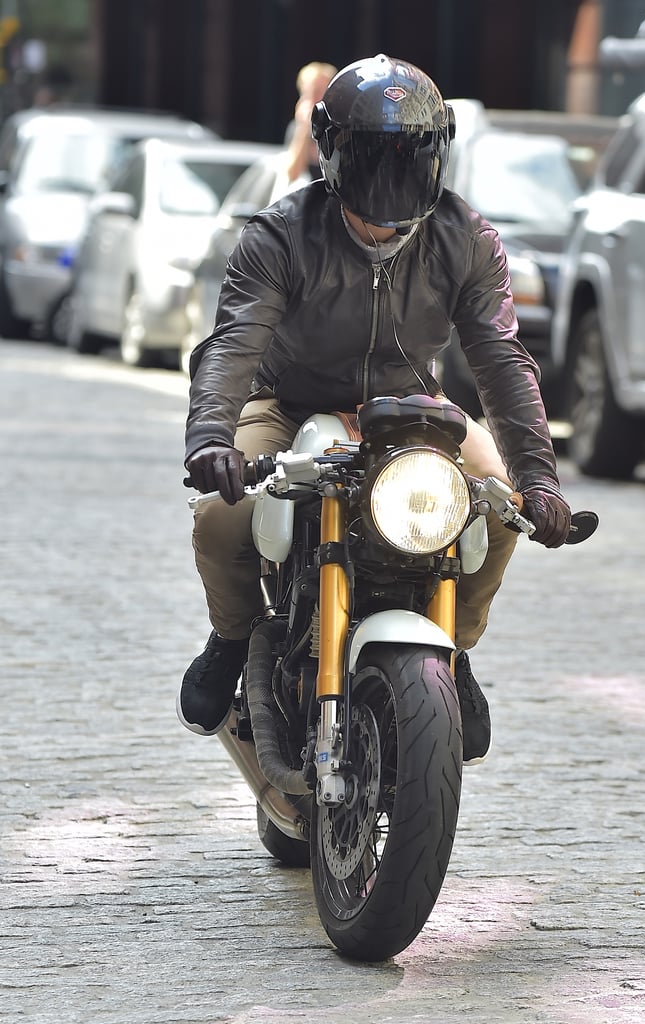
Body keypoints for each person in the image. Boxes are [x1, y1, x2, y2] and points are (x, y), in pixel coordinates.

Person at [178, 54, 572, 765]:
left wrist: (538, 478)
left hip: (413, 410)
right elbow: (234, 343)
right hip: (285, 400)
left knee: (498, 504)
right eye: (370, 162)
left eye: (407, 160)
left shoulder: (468, 239)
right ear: (332, 151)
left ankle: (453, 651)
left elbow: (502, 359)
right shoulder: (277, 235)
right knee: (220, 518)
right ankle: (232, 637)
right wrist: (212, 437)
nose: (383, 205)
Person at [269, 60, 337, 203]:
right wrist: (304, 126)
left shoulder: (338, 128)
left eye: (320, 91)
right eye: (309, 93)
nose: (315, 98)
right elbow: (293, 172)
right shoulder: (297, 129)